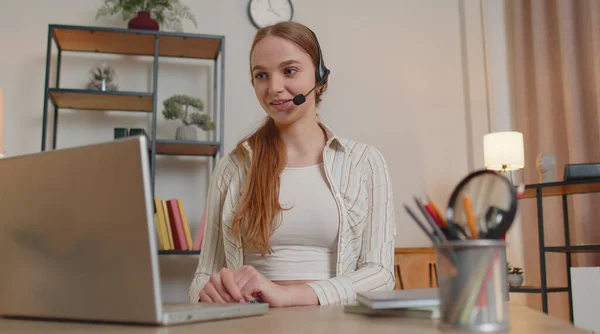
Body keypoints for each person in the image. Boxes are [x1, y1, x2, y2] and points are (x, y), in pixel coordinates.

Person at [188, 21, 396, 307]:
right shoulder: (233, 167)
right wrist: (206, 291)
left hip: (335, 324)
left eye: (289, 71)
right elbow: (204, 274)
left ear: (320, 77)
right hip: (251, 325)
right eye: (261, 75)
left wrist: (289, 296)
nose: (274, 88)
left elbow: (381, 276)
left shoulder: (365, 163)